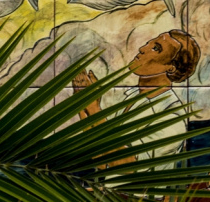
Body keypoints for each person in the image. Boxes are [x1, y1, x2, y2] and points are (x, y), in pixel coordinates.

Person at [73, 30, 199, 164]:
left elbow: (129, 164)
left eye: (156, 48)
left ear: (171, 68)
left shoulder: (172, 117)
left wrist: (94, 109)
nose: (142, 49)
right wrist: (83, 104)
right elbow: (101, 157)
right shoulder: (130, 96)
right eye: (149, 43)